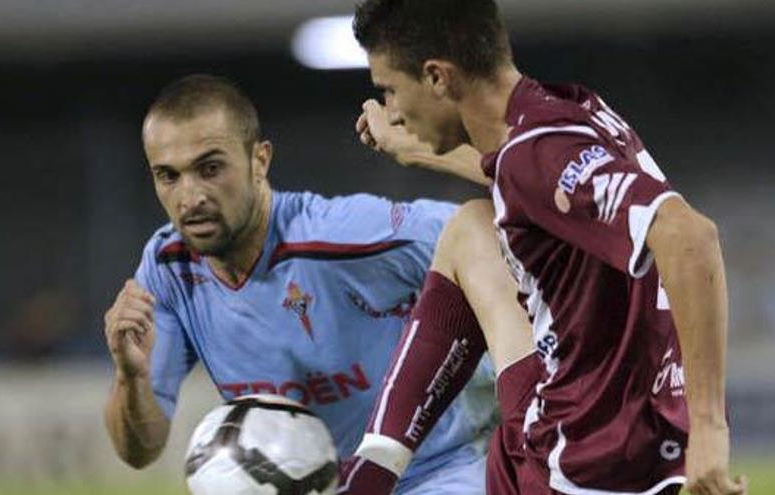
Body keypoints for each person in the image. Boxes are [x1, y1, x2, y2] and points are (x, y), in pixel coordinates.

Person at [340, 1, 748, 494]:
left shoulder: (536, 154)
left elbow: (691, 237)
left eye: (389, 89)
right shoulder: (571, 113)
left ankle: (369, 475)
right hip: (639, 418)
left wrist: (710, 431)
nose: (392, 110)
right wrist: (413, 148)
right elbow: (525, 180)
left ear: (437, 77)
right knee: (472, 226)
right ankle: (375, 469)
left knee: (467, 230)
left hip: (585, 459)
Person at [101, 74, 507, 494]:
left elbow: (501, 237)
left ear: (260, 161)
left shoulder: (348, 237)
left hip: (439, 471)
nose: (190, 197)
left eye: (210, 168)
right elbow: (139, 452)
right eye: (169, 176)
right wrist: (130, 377)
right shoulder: (168, 269)